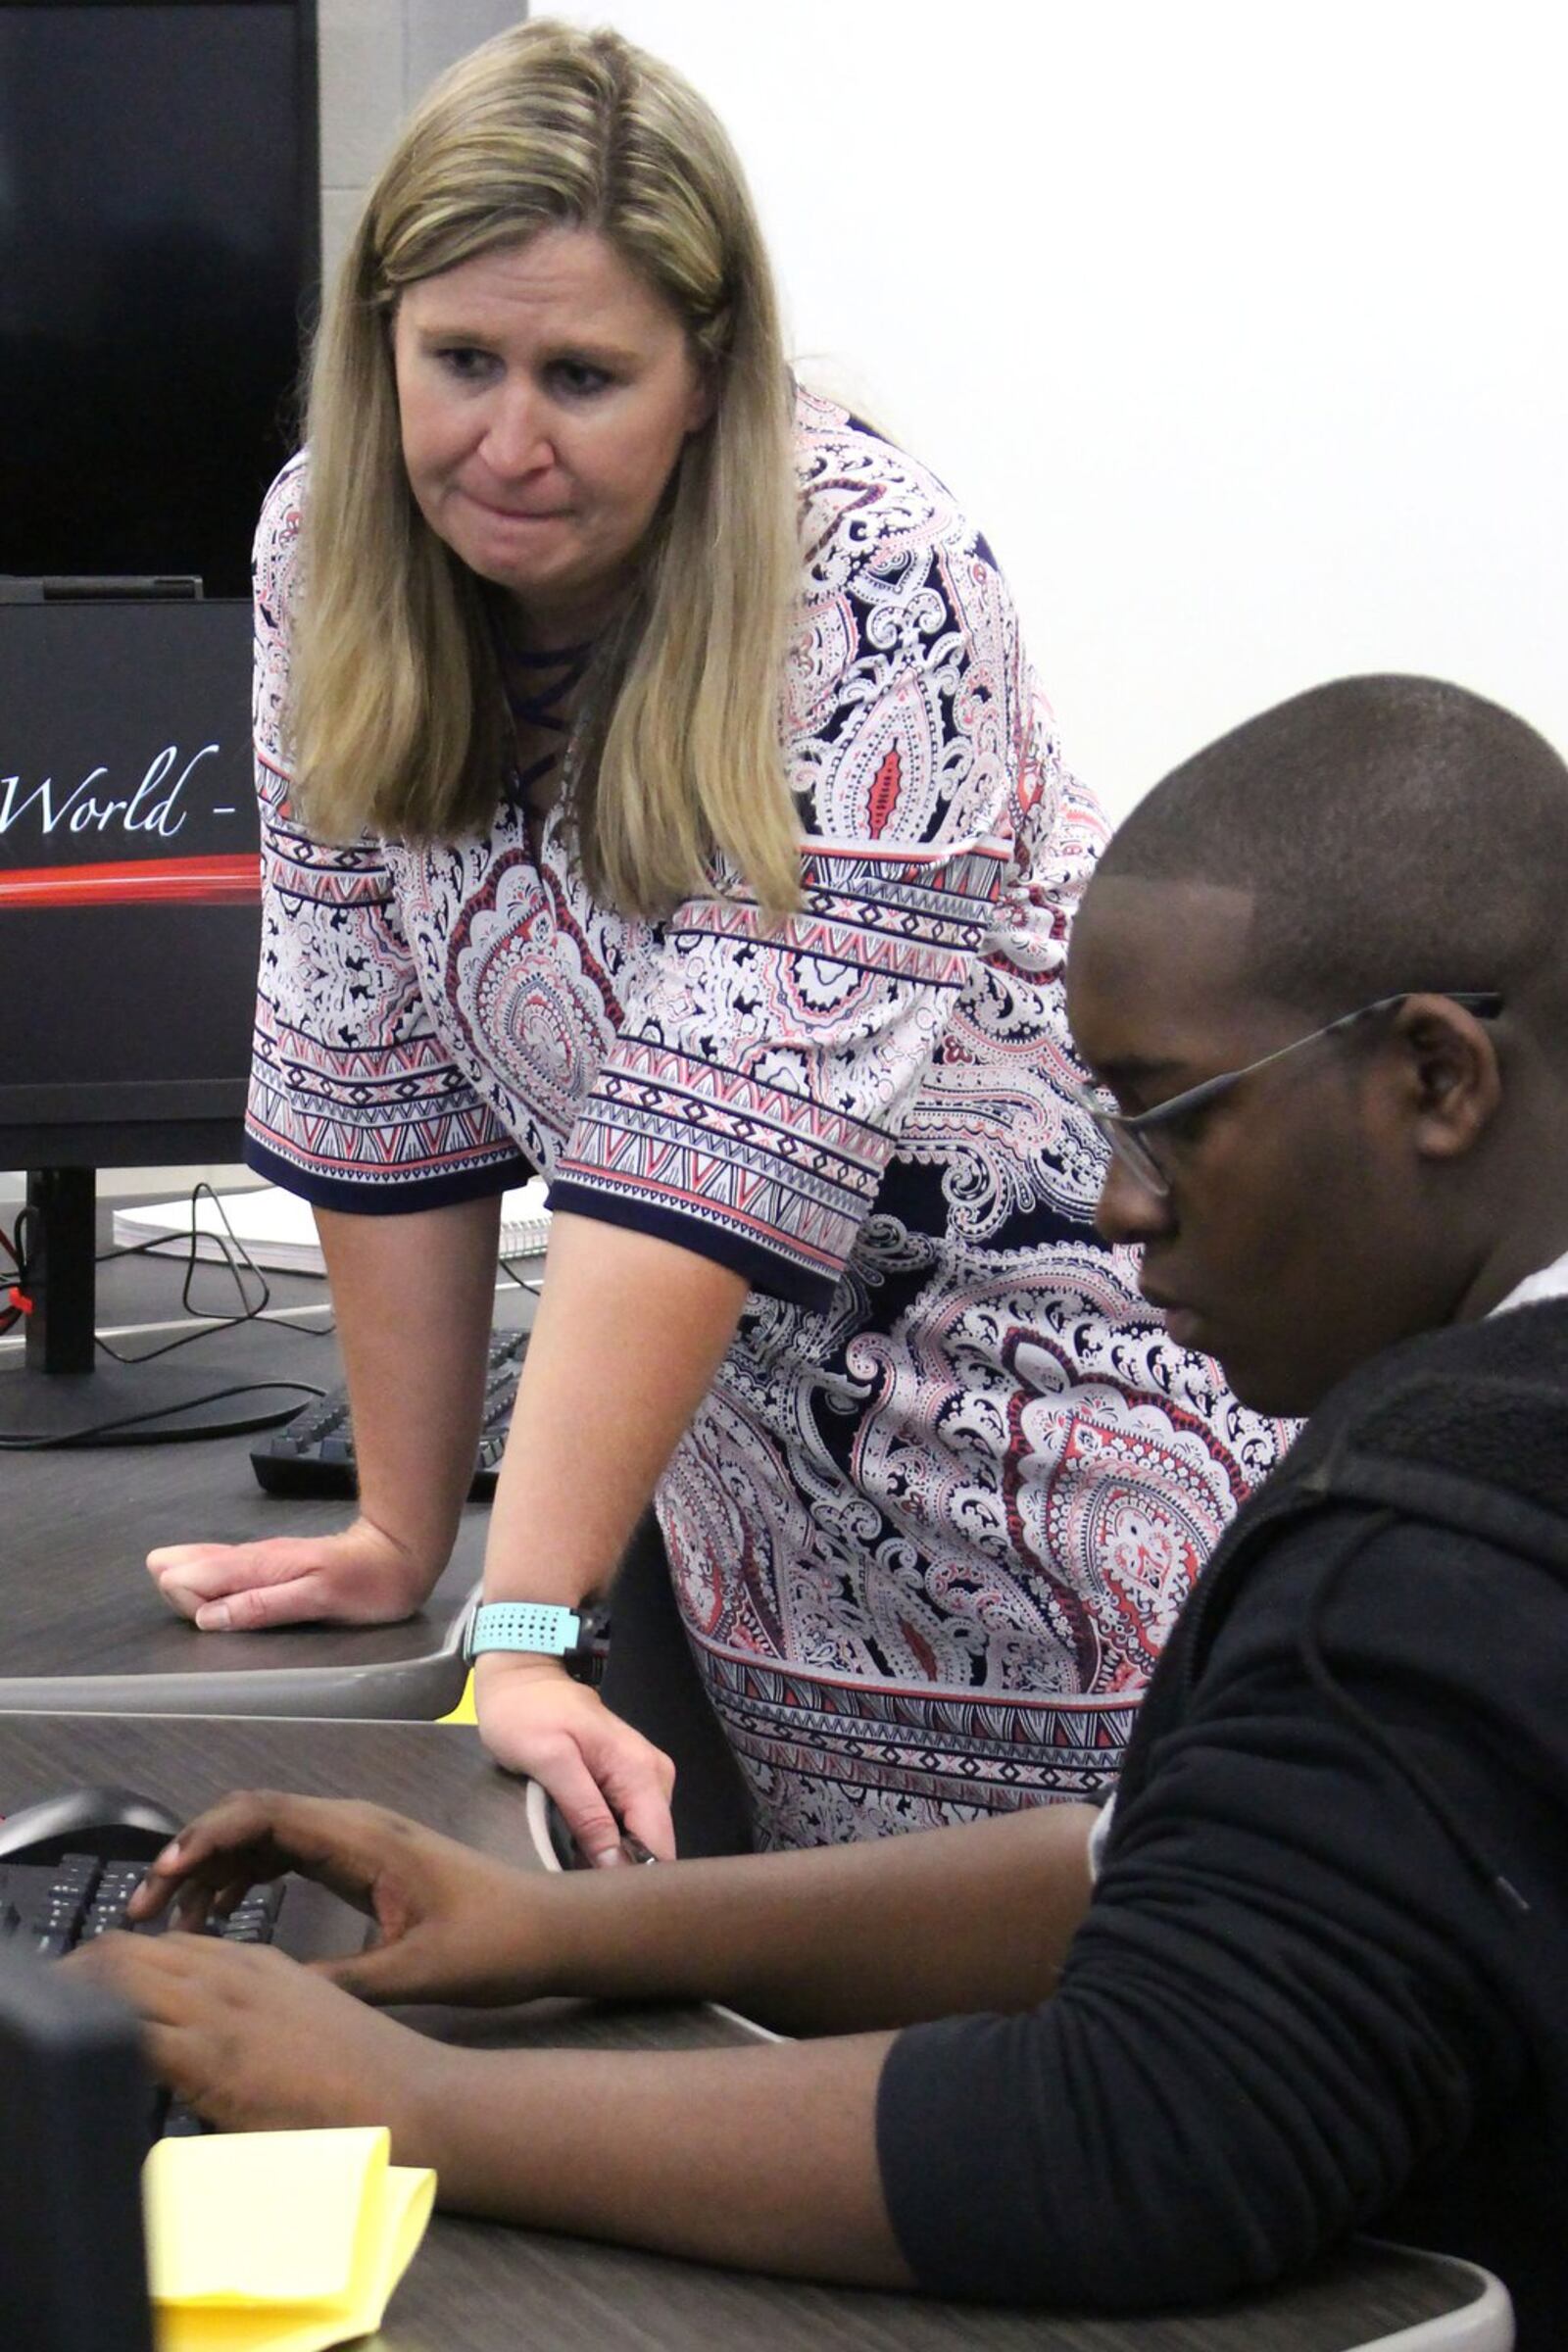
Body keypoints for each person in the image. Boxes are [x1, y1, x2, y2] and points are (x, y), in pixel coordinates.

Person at [88, 675, 1568, 2338]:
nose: (1116, 1199)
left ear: (1439, 1080)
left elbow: (1131, 2135)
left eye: (1168, 1117)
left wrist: (398, 2101)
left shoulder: (1444, 1536)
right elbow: (1149, 1867)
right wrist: (563, 1927)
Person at [144, 19, 1283, 1859]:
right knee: (811, 2040)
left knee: (1124, 2041)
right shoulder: (321, 553)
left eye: (584, 374)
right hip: (750, 1487)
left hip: (1079, 1450)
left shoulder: (874, 574)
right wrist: (399, 1532)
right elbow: (371, 1074)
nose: (507, 440)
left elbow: (709, 1143)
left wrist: (515, 1626)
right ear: (377, 348)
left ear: (709, 373)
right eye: (460, 362)